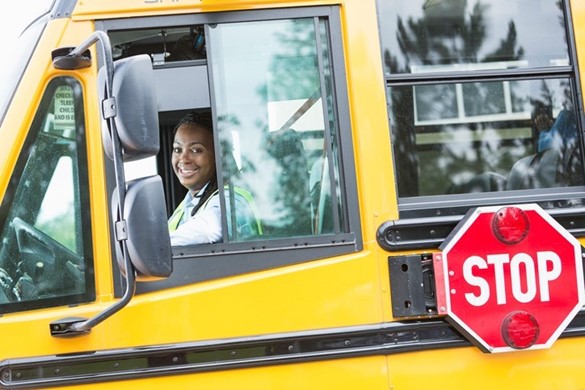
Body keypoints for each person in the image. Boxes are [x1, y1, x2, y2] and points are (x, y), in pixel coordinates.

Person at [168, 112, 222, 246]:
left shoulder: (231, 198)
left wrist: (147, 248)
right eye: (177, 149)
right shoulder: (187, 204)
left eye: (196, 150)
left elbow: (209, 228)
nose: (183, 159)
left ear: (219, 155)